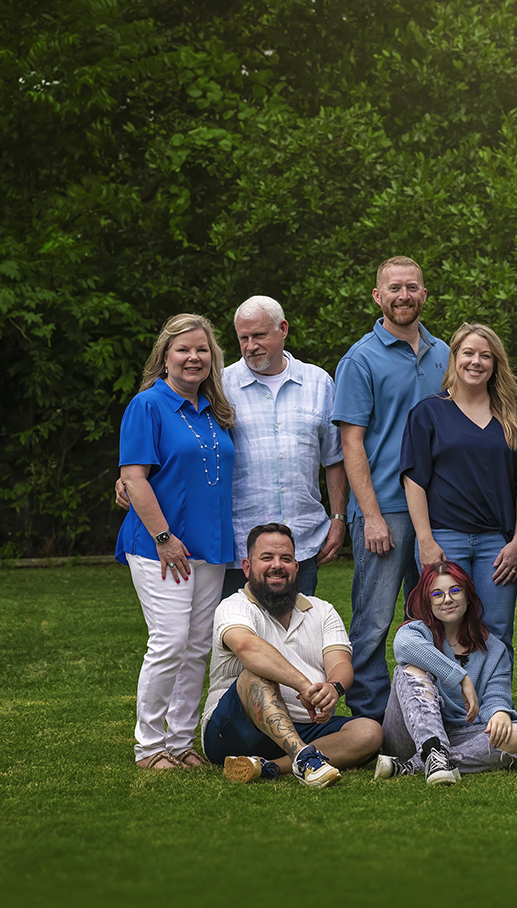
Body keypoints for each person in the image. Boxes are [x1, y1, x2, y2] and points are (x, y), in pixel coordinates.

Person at [116, 313, 237, 770]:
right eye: (183, 349)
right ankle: (149, 747)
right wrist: (164, 537)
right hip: (159, 545)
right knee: (169, 641)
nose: (193, 357)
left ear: (212, 358)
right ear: (164, 357)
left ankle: (182, 742)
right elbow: (135, 479)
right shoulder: (147, 405)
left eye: (202, 349)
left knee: (196, 646)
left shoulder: (216, 411)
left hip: (210, 546)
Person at [331, 256, 449, 722]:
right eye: (394, 288)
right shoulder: (360, 359)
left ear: (424, 294)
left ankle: (428, 710)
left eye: (412, 287)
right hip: (384, 510)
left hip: (440, 510)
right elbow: (350, 442)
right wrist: (371, 515)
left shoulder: (446, 353)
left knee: (436, 614)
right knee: (375, 619)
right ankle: (371, 715)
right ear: (378, 297)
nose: (404, 296)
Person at [201, 524, 383, 786]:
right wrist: (306, 687)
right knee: (256, 672)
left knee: (369, 731)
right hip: (237, 727)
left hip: (303, 725)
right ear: (247, 567)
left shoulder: (321, 610)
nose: (277, 565)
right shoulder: (233, 606)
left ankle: (269, 767)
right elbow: (248, 648)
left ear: (296, 568)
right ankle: (305, 757)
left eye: (286, 559)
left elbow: (340, 662)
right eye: (267, 558)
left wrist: (332, 688)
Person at [401, 323, 517, 668]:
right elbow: (414, 481)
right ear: (454, 359)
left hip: (497, 546)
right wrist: (425, 540)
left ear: (495, 364)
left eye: (485, 356)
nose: (476, 362)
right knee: (446, 630)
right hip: (445, 539)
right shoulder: (428, 413)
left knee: (496, 632)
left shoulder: (512, 419)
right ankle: (448, 716)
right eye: (468, 353)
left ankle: (495, 713)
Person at [223, 296, 348, 597]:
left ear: (283, 329)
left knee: (298, 635)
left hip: (302, 542)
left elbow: (334, 458)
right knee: (239, 637)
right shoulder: (220, 384)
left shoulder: (318, 382)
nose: (251, 345)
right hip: (240, 544)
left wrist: (339, 519)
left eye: (259, 335)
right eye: (244, 338)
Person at [375, 561, 517, 783]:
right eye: (437, 594)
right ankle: (432, 752)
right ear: (428, 601)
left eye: (455, 591)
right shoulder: (417, 632)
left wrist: (499, 712)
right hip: (410, 732)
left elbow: (496, 694)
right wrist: (461, 678)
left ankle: (415, 765)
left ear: (468, 595)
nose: (447, 599)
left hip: (462, 734)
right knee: (410, 668)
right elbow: (403, 646)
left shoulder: (494, 649)